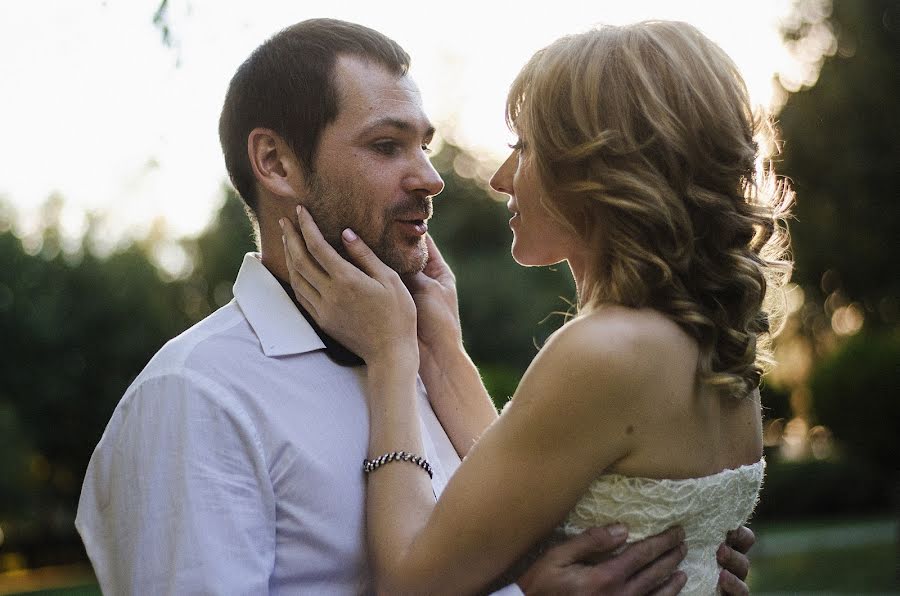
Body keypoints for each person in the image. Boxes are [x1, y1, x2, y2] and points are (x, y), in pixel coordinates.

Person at [75, 18, 754, 594]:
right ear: (277, 164)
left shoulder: (426, 361)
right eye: (386, 145)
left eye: (423, 146)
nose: (432, 178)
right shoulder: (196, 396)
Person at [281, 20, 792, 595]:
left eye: (523, 148)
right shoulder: (712, 350)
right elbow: (531, 488)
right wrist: (442, 347)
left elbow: (408, 581)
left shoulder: (605, 351)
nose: (501, 180)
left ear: (599, 167)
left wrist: (391, 359)